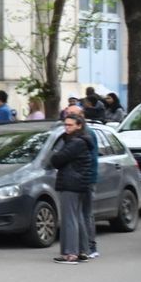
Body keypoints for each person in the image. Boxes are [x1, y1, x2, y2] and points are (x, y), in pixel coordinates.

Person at [50, 113, 98, 265]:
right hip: (80, 183)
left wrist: (57, 153)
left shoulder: (76, 142)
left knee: (69, 219)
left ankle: (70, 253)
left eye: (70, 125)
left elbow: (57, 159)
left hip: (71, 183)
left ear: (79, 125)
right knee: (77, 217)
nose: (66, 128)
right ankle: (83, 251)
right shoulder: (83, 141)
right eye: (65, 125)